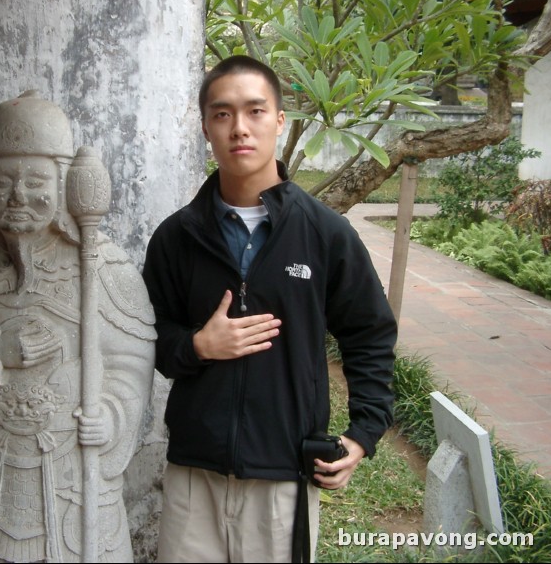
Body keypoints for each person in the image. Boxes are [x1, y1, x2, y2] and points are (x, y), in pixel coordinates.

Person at [142, 55, 397, 563]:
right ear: (205, 127)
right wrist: (196, 346)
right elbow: (149, 338)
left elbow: (369, 333)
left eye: (255, 111)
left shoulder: (325, 234)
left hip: (284, 474)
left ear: (279, 121)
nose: (240, 128)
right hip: (195, 472)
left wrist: (364, 434)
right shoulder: (177, 237)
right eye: (222, 114)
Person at [0, 90, 156, 563]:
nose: (17, 195)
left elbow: (130, 362)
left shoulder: (103, 268)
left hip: (75, 481)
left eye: (36, 180)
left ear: (62, 184)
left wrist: (111, 414)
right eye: (2, 180)